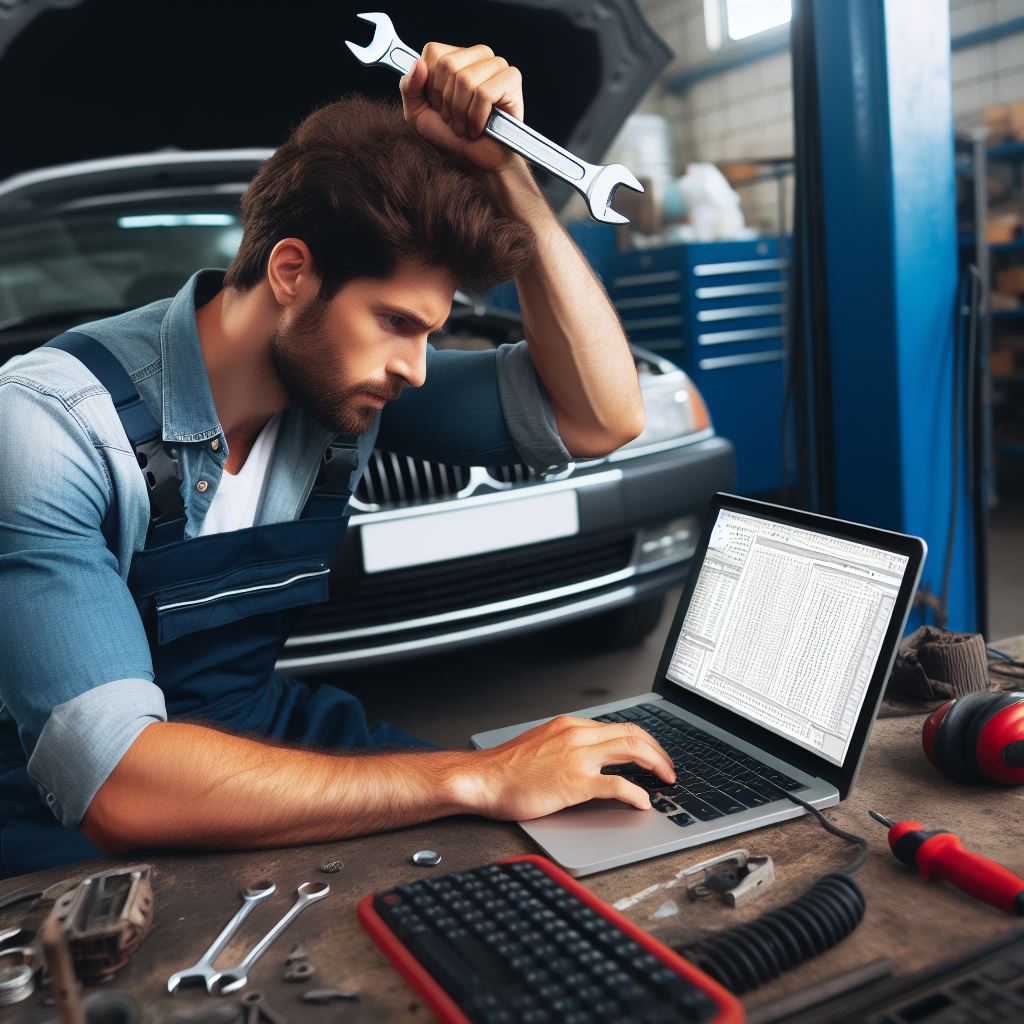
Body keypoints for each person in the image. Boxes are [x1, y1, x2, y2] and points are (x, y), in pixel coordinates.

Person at [0, 42, 675, 878]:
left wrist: (509, 170)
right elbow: (116, 785)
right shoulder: (47, 425)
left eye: (430, 331)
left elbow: (602, 417)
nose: (418, 369)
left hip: (263, 727)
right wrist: (476, 776)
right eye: (398, 322)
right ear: (291, 271)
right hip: (53, 806)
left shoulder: (337, 380)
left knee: (554, 848)